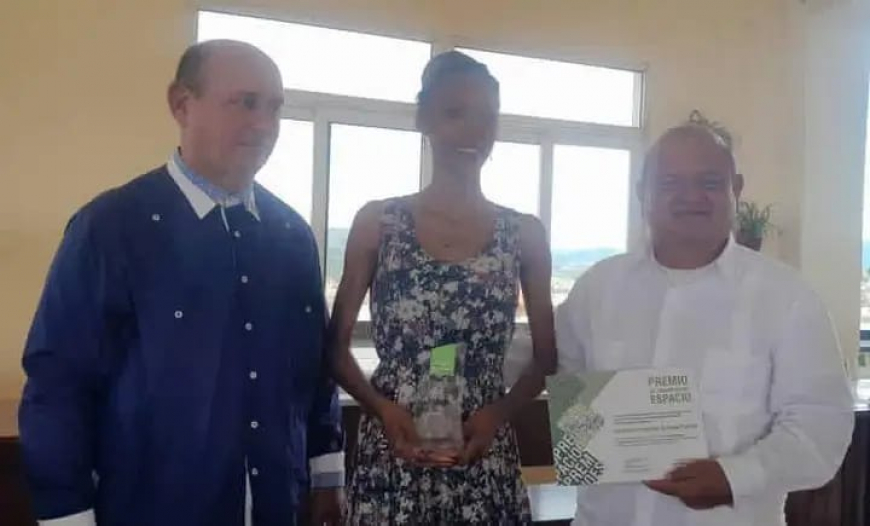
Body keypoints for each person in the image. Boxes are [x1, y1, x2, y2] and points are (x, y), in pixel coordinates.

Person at [19, 40, 344, 526]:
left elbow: (314, 373)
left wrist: (327, 474)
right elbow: (59, 384)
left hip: (278, 504)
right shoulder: (110, 229)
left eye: (274, 108)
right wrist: (67, 515)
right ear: (181, 104)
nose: (263, 124)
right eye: (245, 103)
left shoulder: (292, 235)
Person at [555, 120, 855, 525]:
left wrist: (735, 477)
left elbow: (821, 427)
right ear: (642, 192)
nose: (691, 197)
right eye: (671, 183)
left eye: (710, 182)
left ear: (736, 189)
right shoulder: (596, 289)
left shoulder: (788, 299)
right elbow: (565, 384)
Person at [328, 50, 558, 524]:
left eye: (487, 117)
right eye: (455, 113)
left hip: (484, 453)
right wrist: (381, 409)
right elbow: (334, 350)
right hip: (394, 452)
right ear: (423, 120)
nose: (473, 131)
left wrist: (498, 414)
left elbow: (546, 360)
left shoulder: (524, 234)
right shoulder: (379, 223)